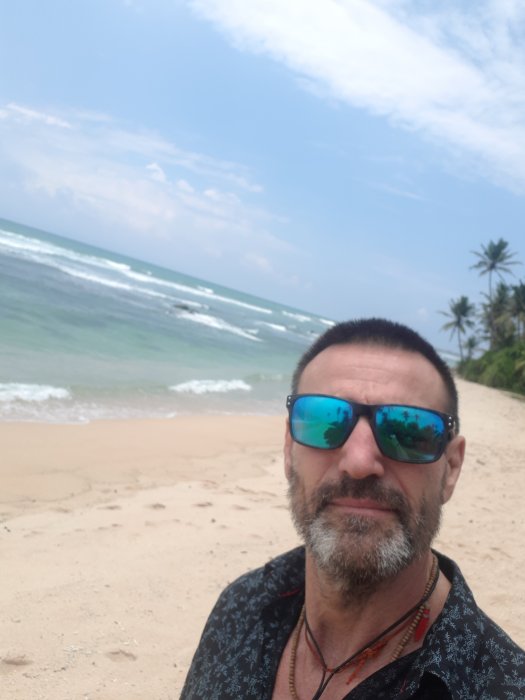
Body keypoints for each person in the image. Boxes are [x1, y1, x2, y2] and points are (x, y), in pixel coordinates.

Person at [180, 318, 525, 699]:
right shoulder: (241, 606)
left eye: (407, 430)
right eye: (324, 419)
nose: (359, 463)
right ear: (289, 450)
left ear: (451, 468)